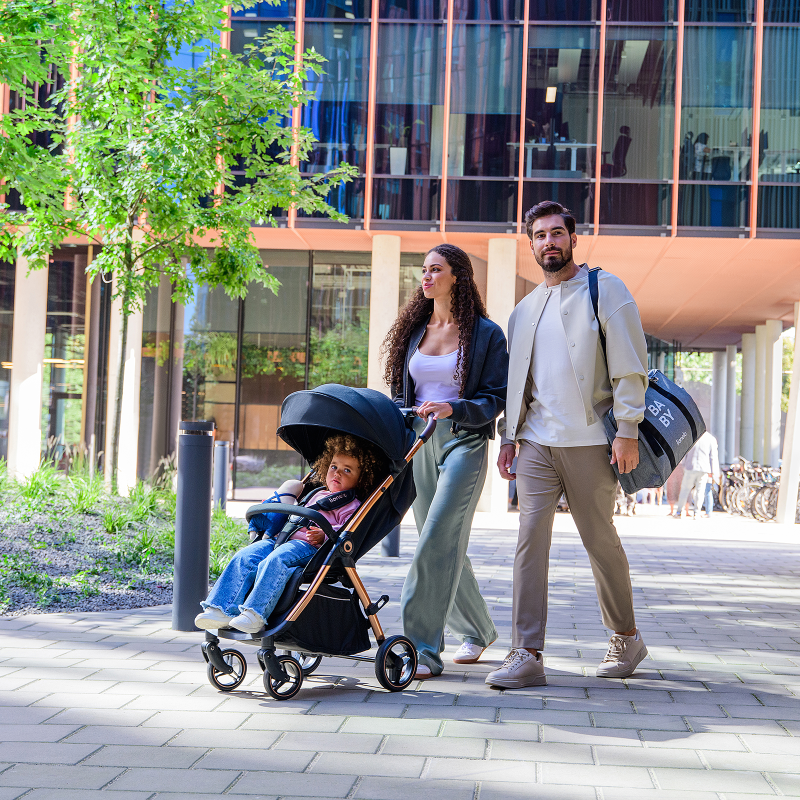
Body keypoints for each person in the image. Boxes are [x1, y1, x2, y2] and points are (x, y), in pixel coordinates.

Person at [488, 200, 649, 689]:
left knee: (599, 540)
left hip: (590, 443)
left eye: (557, 233)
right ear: (531, 244)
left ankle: (626, 635)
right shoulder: (524, 310)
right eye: (539, 235)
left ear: (573, 239)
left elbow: (629, 365)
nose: (549, 242)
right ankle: (526, 651)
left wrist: (628, 428)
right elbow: (521, 384)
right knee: (528, 542)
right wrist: (509, 437)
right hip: (536, 442)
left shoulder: (605, 290)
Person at [382, 243, 508, 679]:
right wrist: (400, 418)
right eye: (424, 270)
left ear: (458, 276)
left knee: (435, 539)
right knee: (444, 542)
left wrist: (455, 409)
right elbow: (402, 393)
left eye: (436, 269)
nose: (426, 277)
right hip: (418, 443)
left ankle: (421, 649)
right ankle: (477, 628)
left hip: (464, 441)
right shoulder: (415, 329)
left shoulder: (487, 334)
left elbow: (496, 398)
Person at [194, 434, 381, 634]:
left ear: (361, 479)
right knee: (245, 556)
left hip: (310, 547)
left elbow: (347, 532)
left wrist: (325, 535)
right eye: (334, 466)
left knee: (275, 560)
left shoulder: (351, 505)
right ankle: (221, 607)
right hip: (283, 538)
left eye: (347, 470)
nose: (337, 474)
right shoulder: (316, 493)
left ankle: (255, 614)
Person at [673, 430, 720, 519]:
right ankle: (696, 513)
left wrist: (684, 465)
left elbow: (684, 452)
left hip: (690, 466)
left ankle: (679, 512)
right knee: (700, 491)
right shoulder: (711, 439)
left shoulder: (691, 436)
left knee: (684, 490)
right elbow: (713, 457)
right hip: (704, 468)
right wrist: (713, 472)